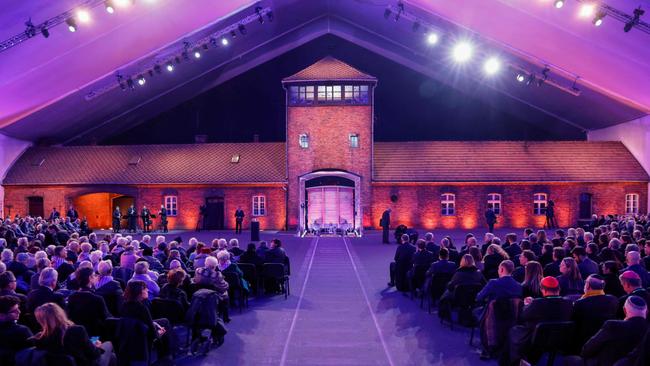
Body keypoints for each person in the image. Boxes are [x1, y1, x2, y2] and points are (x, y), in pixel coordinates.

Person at [506, 276, 573, 365]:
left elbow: (523, 316)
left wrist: (527, 305)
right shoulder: (568, 303)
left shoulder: (537, 303)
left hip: (537, 339)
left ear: (543, 290)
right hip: (561, 340)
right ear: (558, 289)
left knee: (513, 331)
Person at [31, 302, 115, 366]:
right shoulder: (77, 330)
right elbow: (93, 355)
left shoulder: (37, 338)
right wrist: (97, 346)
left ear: (40, 320)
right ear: (60, 313)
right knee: (109, 345)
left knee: (112, 357)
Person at [581, 296, 648, 366]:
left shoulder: (613, 326)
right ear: (646, 312)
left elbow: (588, 348)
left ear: (624, 310)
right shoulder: (647, 329)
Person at [120, 281, 172, 360]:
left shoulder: (124, 305)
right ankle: (166, 355)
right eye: (145, 289)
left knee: (163, 321)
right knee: (165, 324)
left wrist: (153, 323)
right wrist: (159, 333)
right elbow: (152, 332)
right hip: (143, 338)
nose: (147, 290)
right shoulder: (142, 308)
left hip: (131, 336)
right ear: (139, 292)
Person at [572, 274, 619, 347]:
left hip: (585, 341)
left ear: (588, 286)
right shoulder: (613, 300)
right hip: (608, 340)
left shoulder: (580, 303)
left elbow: (575, 323)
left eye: (585, 283)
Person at [66, 267, 111, 338]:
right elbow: (107, 319)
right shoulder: (97, 298)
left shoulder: (72, 297)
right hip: (95, 337)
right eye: (95, 275)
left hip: (76, 335)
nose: (97, 277)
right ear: (90, 278)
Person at [0, 295, 33, 366]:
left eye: (18, 308)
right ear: (1, 315)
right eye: (14, 311)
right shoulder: (22, 330)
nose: (19, 312)